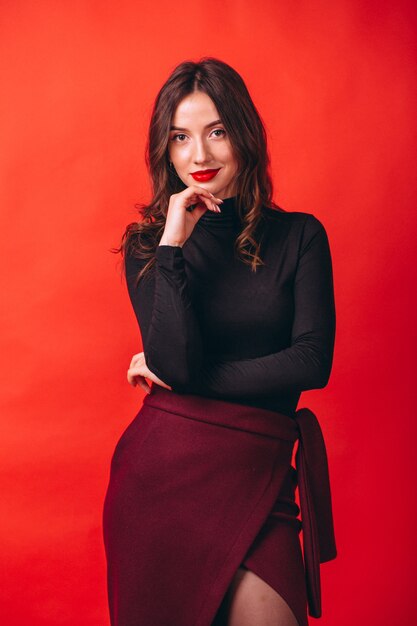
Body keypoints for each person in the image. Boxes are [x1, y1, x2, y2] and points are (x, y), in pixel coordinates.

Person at [103, 57, 337, 626]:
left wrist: (192, 382)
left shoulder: (300, 236)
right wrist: (173, 244)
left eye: (216, 132)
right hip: (163, 479)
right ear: (165, 149)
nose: (199, 156)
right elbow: (177, 359)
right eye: (180, 138)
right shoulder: (149, 247)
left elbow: (312, 360)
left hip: (260, 471)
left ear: (245, 134)